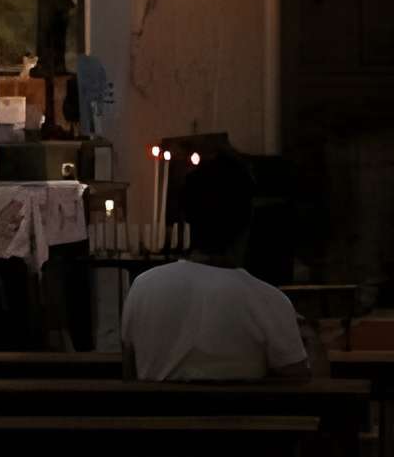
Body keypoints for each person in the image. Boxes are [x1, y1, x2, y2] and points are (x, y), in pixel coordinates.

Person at [124, 163, 320, 382]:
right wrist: (309, 336)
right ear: (247, 221)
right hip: (240, 417)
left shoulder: (143, 287)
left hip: (153, 416)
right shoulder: (269, 301)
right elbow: (303, 384)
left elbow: (130, 372)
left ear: (187, 218)